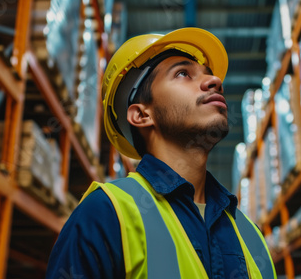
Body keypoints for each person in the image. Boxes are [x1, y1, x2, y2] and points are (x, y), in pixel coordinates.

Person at [46, 27, 276, 279]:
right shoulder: (106, 214)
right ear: (142, 114)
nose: (215, 81)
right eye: (183, 73)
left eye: (209, 74)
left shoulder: (250, 235)